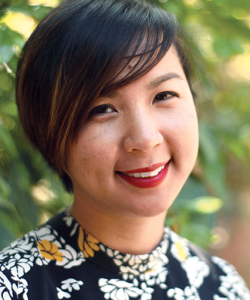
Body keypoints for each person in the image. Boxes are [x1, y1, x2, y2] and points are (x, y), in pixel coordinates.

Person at [0, 0, 249, 299]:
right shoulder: (15, 287)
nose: (145, 139)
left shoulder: (222, 286)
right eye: (102, 109)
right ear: (51, 133)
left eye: (164, 95)